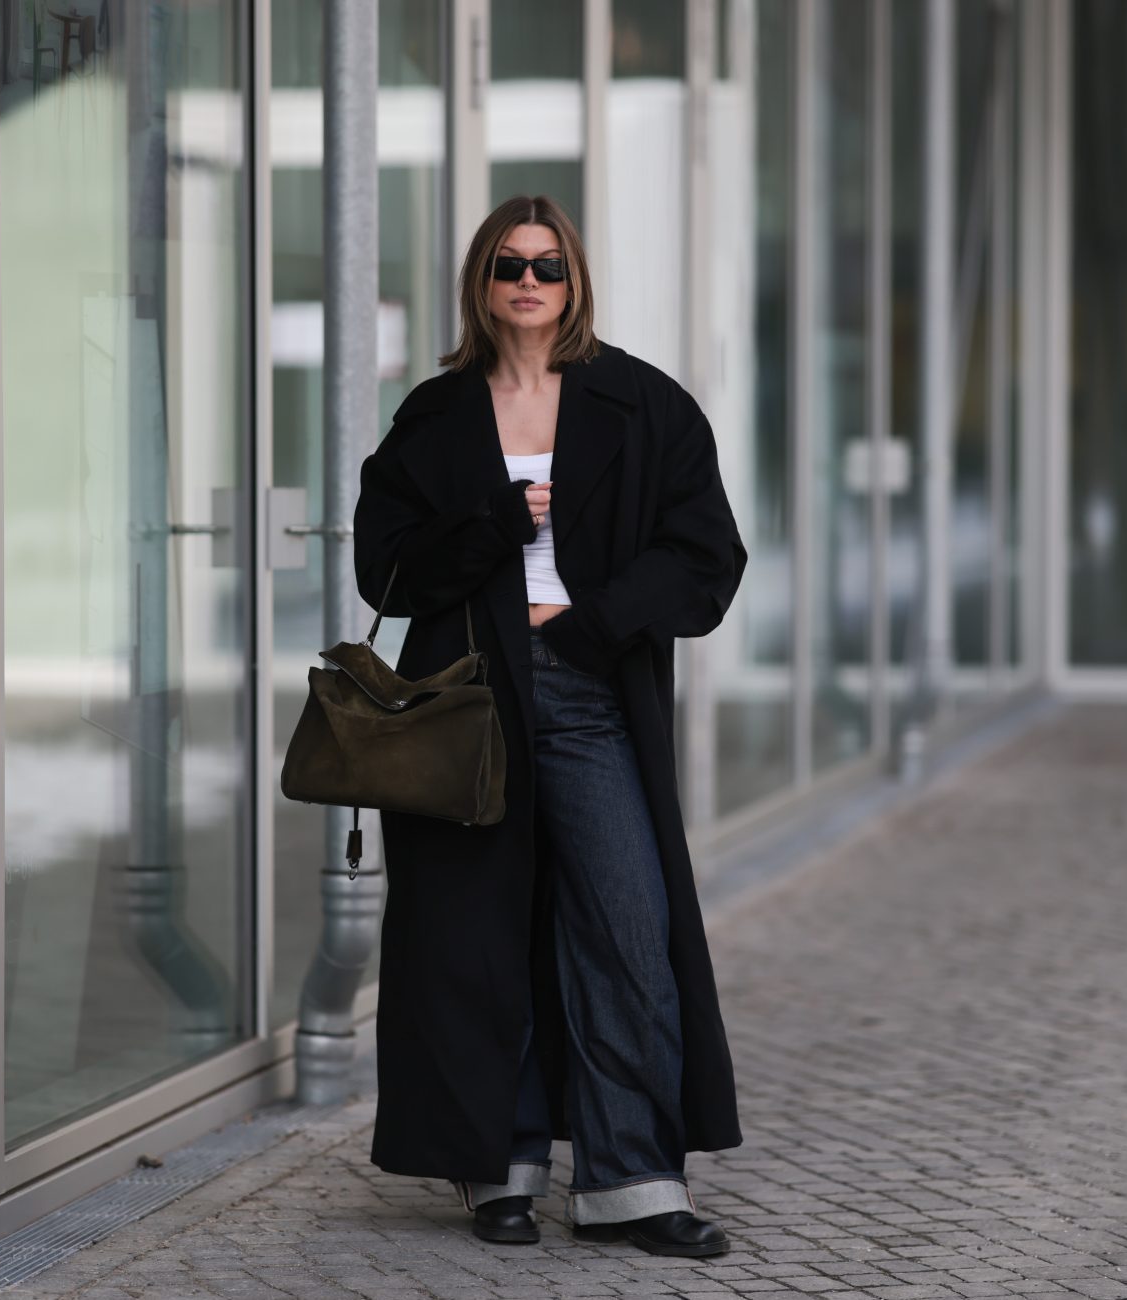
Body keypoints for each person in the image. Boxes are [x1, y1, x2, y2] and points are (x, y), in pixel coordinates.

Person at [353, 195, 747, 1256]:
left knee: (629, 928)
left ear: (573, 282)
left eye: (547, 266)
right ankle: (500, 1168)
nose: (528, 282)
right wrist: (487, 523)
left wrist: (593, 624)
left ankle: (631, 1183)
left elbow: (707, 555)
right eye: (507, 266)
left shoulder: (641, 405)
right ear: (480, 284)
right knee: (475, 944)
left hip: (584, 695)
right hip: (465, 703)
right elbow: (380, 567)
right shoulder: (435, 418)